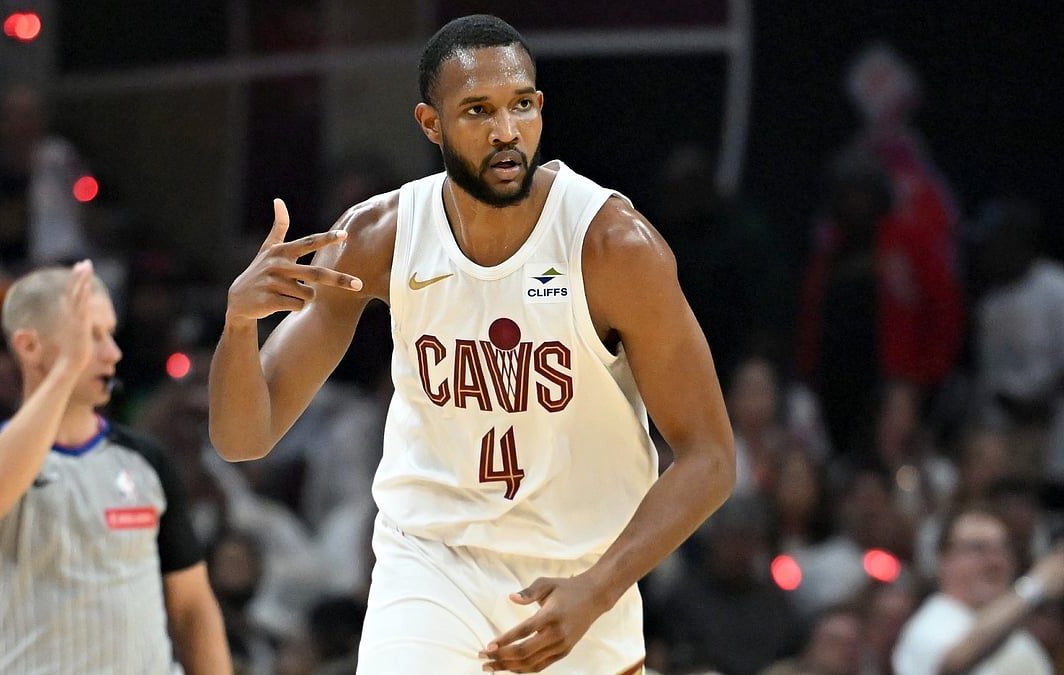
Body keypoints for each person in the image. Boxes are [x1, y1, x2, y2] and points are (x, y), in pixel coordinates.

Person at [208, 13, 735, 674]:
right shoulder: (379, 237)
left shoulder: (612, 247)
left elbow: (711, 457)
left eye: (520, 106)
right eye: (478, 111)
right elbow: (242, 437)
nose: (506, 131)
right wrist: (236, 325)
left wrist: (597, 589)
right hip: (432, 559)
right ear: (431, 124)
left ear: (540, 107)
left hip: (579, 573)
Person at [0, 261, 231, 674]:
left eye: (109, 333)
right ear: (29, 347)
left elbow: (192, 609)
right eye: (89, 336)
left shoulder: (147, 461)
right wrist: (63, 372)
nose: (112, 353)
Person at [892, 505, 1064, 674]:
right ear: (944, 560)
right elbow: (953, 664)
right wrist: (1035, 586)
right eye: (978, 548)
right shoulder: (930, 625)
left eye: (1003, 549)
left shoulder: (1016, 633)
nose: (995, 562)